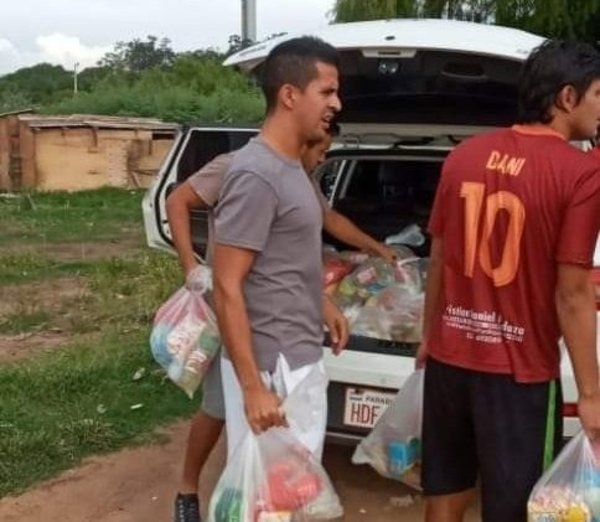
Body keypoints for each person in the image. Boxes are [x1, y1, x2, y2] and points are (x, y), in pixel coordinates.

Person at [168, 130, 395, 522]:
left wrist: (372, 253)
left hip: (276, 325)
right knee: (218, 407)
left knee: (270, 433)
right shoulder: (241, 168)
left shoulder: (297, 179)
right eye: (323, 149)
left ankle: (267, 501)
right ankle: (188, 489)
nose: (323, 155)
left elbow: (317, 233)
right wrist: (191, 265)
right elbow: (177, 200)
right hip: (234, 310)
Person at [418, 40, 600, 522]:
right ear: (567, 98)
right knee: (515, 508)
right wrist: (591, 395)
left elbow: (439, 259)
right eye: (599, 95)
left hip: (448, 359)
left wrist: (428, 339)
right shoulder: (584, 172)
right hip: (518, 374)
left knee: (446, 491)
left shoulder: (464, 156)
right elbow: (574, 292)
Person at [211, 35, 343, 468]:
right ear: (289, 95)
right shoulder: (258, 173)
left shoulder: (290, 168)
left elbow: (282, 259)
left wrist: (321, 302)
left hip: (295, 357)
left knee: (292, 498)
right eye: (326, 91)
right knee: (269, 503)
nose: (337, 104)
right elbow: (226, 283)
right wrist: (252, 386)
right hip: (274, 369)